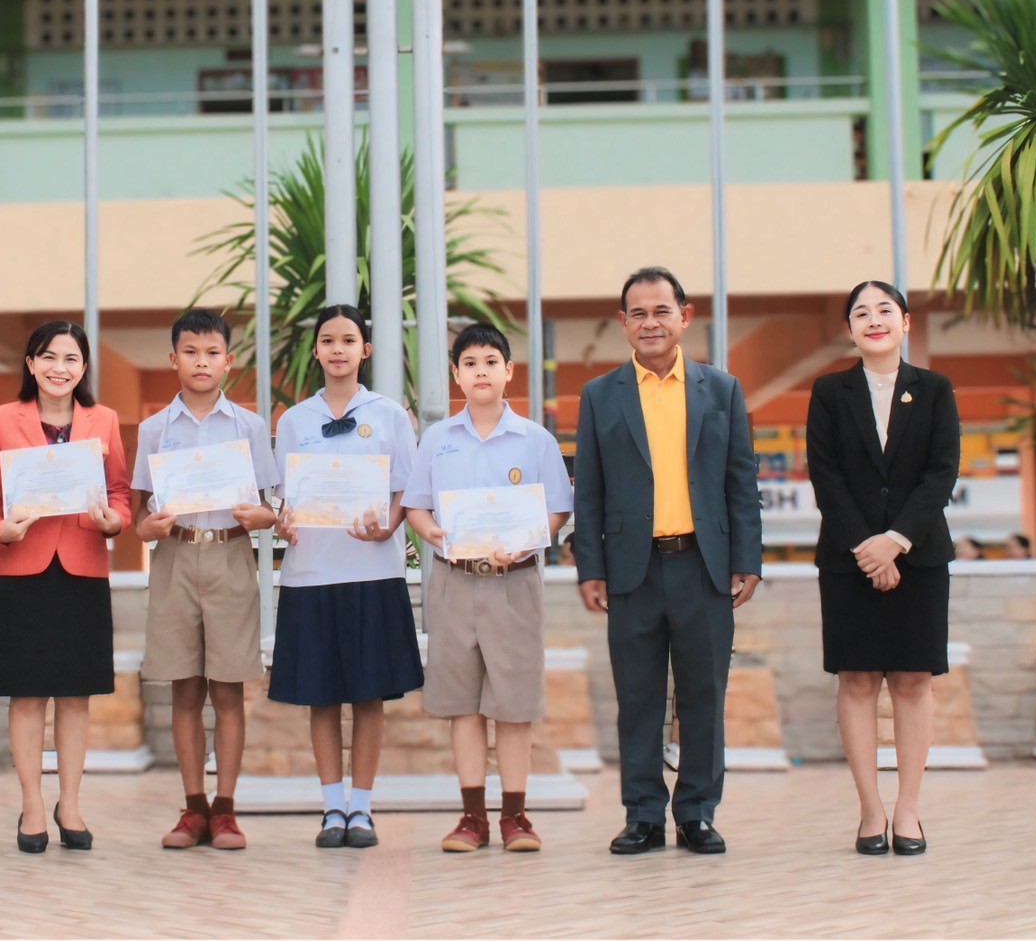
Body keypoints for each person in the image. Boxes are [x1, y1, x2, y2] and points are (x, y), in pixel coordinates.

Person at [573, 266, 763, 857]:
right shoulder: (600, 395)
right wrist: (590, 568)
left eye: (662, 311)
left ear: (685, 316)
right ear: (623, 322)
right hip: (631, 570)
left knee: (704, 696)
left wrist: (748, 559)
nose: (650, 323)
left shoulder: (721, 389)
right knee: (638, 699)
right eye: (638, 313)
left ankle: (697, 813)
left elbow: (741, 481)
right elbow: (589, 491)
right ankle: (643, 815)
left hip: (703, 566)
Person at [403, 323, 572, 854]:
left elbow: (557, 511)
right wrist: (431, 532)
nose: (481, 371)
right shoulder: (436, 440)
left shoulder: (536, 440)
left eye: (491, 362)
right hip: (454, 581)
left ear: (508, 371)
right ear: (456, 374)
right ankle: (472, 817)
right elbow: (416, 506)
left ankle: (515, 817)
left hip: (514, 584)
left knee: (514, 705)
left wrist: (527, 542)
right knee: (463, 705)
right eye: (470, 363)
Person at [806, 281, 959, 857]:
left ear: (905, 322)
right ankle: (871, 810)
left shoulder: (935, 389)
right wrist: (866, 549)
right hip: (848, 560)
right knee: (858, 680)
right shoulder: (830, 392)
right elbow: (825, 474)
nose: (874, 320)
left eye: (885, 310)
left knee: (914, 681)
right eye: (861, 313)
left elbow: (942, 472)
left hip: (920, 556)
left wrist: (895, 542)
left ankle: (909, 810)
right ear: (849, 329)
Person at [269, 305, 424, 849]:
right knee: (321, 696)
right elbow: (284, 496)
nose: (338, 349)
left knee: (369, 695)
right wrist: (283, 520)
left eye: (349, 340)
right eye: (328, 340)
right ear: (315, 351)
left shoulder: (389, 415)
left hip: (373, 572)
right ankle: (331, 807)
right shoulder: (293, 420)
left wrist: (390, 527)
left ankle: (362, 808)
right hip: (310, 574)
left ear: (366, 350)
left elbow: (407, 489)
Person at [0, 321, 131, 854]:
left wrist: (114, 521)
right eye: (48, 356)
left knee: (74, 694)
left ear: (83, 368)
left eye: (70, 359)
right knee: (26, 693)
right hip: (22, 569)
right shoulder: (1, 419)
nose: (58, 368)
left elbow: (119, 492)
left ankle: (70, 803)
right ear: (30, 363)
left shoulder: (103, 420)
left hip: (83, 569)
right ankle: (32, 805)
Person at [132, 309, 278, 851]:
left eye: (212, 352)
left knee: (229, 687)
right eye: (190, 352)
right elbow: (138, 514)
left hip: (231, 555)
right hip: (175, 557)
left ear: (228, 361)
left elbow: (270, 508)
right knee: (185, 687)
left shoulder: (249, 427)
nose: (201, 362)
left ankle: (226, 810)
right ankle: (193, 807)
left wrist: (259, 517)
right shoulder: (154, 429)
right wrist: (149, 527)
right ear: (173, 359)